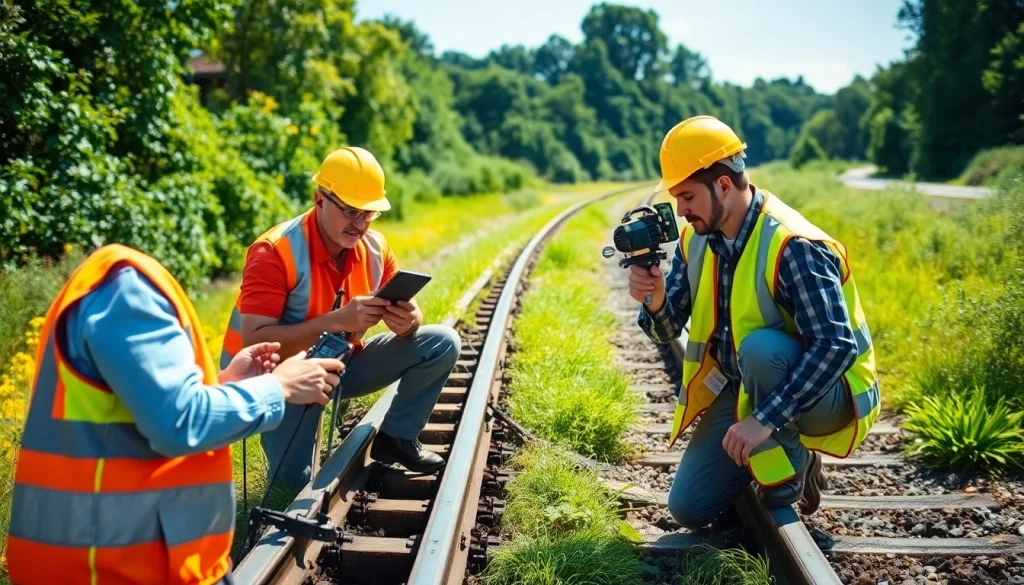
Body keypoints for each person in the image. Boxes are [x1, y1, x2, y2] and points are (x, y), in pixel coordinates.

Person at [6, 243, 344, 585]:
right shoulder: (127, 292)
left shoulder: (112, 285)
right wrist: (278, 387)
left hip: (109, 556)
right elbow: (180, 422)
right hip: (112, 567)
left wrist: (225, 384)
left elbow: (144, 410)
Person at [630, 115, 880, 529]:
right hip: (747, 384)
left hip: (827, 392)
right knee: (688, 508)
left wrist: (763, 421)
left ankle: (790, 471)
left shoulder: (794, 244)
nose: (681, 210)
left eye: (687, 196)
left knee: (762, 350)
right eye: (677, 198)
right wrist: (654, 300)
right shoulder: (698, 238)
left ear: (723, 185)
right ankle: (771, 444)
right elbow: (667, 329)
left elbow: (836, 346)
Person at [221, 145, 460, 492]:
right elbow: (256, 340)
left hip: (339, 366)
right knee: (294, 486)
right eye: (350, 212)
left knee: (441, 343)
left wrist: (409, 321)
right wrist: (337, 321)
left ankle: (397, 437)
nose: (360, 224)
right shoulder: (274, 251)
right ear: (320, 200)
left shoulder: (375, 249)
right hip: (277, 380)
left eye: (369, 214)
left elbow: (413, 316)